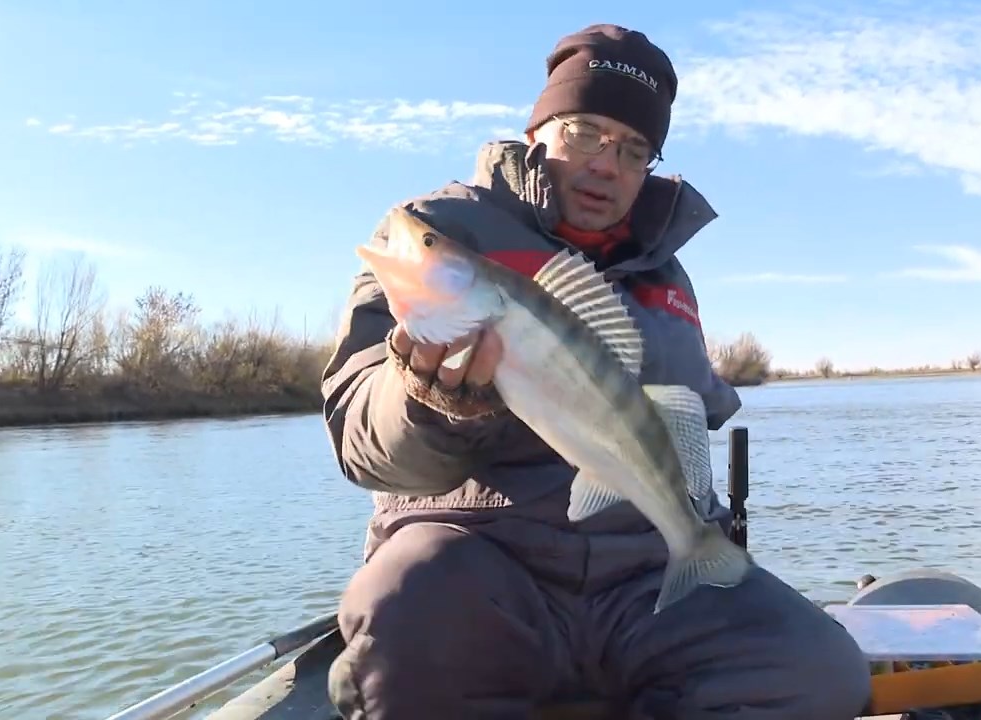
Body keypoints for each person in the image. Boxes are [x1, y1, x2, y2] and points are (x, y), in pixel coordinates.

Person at [320, 23, 872, 720]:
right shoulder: (441, 229)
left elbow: (686, 423)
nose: (606, 164)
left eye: (633, 149)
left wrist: (699, 532)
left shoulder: (669, 275)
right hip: (481, 564)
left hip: (641, 580)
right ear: (540, 130)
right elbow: (359, 439)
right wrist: (425, 400)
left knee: (817, 670)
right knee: (404, 612)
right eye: (584, 132)